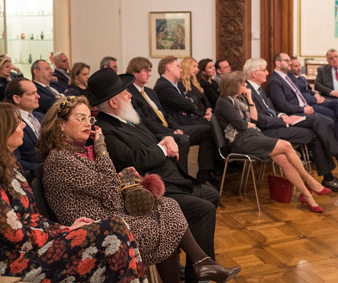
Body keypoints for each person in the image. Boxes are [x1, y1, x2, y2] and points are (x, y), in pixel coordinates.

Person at [39, 96, 240, 283]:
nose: (87, 124)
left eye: (89, 119)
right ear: (60, 125)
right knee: (162, 228)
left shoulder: (78, 151)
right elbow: (108, 190)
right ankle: (202, 265)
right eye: (80, 118)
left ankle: (202, 263)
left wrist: (120, 175)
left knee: (168, 205)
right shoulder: (61, 159)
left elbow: (101, 185)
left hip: (109, 210)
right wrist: (101, 147)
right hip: (96, 226)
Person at [88, 68, 222, 283]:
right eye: (125, 92)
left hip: (171, 178)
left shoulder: (125, 118)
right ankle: (199, 272)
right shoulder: (106, 129)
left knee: (211, 195)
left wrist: (167, 139)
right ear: (113, 102)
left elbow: (153, 134)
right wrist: (162, 149)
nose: (130, 94)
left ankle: (191, 262)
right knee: (203, 208)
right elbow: (133, 159)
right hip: (147, 190)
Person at [0, 102, 146, 282]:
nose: (23, 124)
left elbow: (34, 219)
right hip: (15, 261)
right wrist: (61, 233)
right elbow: (15, 234)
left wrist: (65, 228)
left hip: (37, 244)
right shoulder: (59, 157)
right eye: (17, 122)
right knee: (114, 228)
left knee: (120, 225)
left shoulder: (12, 168)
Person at [215, 71, 330, 213]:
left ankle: (307, 196)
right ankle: (309, 181)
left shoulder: (240, 99)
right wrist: (248, 124)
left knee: (283, 159)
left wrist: (250, 100)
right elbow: (241, 125)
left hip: (253, 135)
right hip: (240, 141)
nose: (246, 85)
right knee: (287, 145)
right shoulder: (224, 102)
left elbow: (254, 119)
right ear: (234, 86)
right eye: (243, 84)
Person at [245, 58, 338, 192]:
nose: (267, 72)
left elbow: (269, 111)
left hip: (277, 123)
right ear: (254, 73)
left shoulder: (257, 89)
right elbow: (260, 120)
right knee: (316, 122)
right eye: (263, 70)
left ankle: (331, 175)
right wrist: (284, 120)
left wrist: (282, 116)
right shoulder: (248, 91)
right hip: (265, 132)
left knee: (316, 130)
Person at [289, 55, 338, 157]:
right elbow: (302, 95)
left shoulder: (301, 78)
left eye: (299, 65)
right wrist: (320, 97)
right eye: (296, 66)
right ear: (289, 67)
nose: (299, 68)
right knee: (336, 112)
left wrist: (316, 95)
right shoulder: (291, 80)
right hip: (317, 101)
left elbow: (309, 91)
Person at [154, 56, 217, 181]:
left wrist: (196, 108)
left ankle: (207, 172)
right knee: (209, 128)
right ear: (169, 67)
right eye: (177, 66)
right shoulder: (163, 86)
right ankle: (204, 174)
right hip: (177, 124)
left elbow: (194, 102)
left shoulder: (176, 85)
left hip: (185, 120)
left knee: (210, 127)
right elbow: (188, 104)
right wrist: (197, 109)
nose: (181, 69)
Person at [126, 57, 191, 173]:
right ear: (135, 72)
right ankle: (182, 176)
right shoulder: (129, 93)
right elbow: (145, 121)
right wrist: (170, 132)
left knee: (205, 129)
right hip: (153, 132)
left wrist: (175, 128)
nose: (150, 74)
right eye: (146, 71)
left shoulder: (150, 91)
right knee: (183, 140)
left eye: (150, 70)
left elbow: (165, 115)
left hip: (166, 127)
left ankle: (207, 173)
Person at [4, 78, 43, 170]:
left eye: (36, 92)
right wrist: (46, 168)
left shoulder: (40, 116)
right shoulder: (8, 122)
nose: (38, 96)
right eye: (31, 93)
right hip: (32, 176)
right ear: (16, 98)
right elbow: (15, 161)